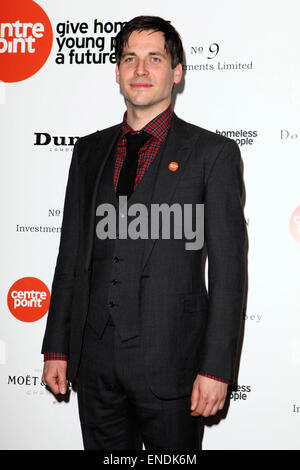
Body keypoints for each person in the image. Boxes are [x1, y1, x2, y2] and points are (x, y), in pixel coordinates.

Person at [41, 15, 246, 450]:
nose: (140, 70)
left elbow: (230, 273)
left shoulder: (213, 154)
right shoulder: (89, 151)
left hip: (173, 365)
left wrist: (217, 368)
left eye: (154, 59)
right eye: (130, 59)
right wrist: (56, 345)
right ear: (116, 72)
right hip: (93, 363)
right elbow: (70, 255)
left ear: (176, 73)